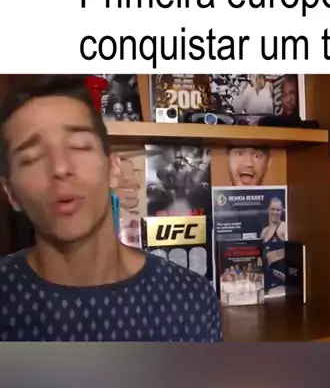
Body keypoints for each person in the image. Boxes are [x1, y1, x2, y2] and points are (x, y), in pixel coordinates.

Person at [0, 77, 222, 342]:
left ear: (113, 169)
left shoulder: (191, 300)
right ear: (11, 194)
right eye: (32, 158)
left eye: (79, 146)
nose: (60, 167)